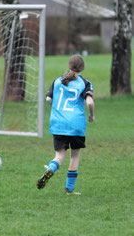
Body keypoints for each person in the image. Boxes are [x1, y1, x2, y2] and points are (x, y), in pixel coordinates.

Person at [37, 54, 94, 195]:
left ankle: (51, 168)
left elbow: (48, 99)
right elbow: (90, 102)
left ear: (69, 65)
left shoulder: (58, 81)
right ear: (82, 68)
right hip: (76, 124)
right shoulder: (85, 83)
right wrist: (91, 115)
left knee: (59, 155)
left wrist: (57, 109)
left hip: (58, 123)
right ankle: (69, 189)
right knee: (74, 156)